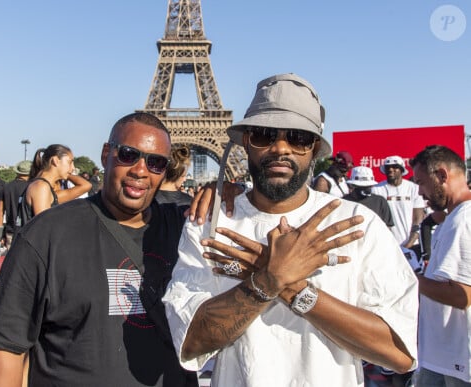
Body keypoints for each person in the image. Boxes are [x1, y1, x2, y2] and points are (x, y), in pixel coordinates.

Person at [163, 73, 419, 386]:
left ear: (314, 148)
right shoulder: (211, 220)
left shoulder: (359, 223)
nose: (280, 148)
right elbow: (191, 344)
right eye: (264, 134)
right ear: (246, 142)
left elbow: (399, 353)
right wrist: (268, 280)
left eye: (298, 138)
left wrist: (289, 285)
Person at [0, 112, 198, 386]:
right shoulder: (46, 234)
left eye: (156, 163)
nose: (141, 170)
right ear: (106, 154)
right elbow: (6, 347)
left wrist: (227, 196)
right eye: (129, 155)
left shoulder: (187, 229)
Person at [410, 145, 471, 386]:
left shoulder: (463, 221)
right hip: (443, 354)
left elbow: (462, 295)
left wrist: (410, 277)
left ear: (442, 176)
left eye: (422, 182)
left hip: (459, 356)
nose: (419, 192)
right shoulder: (453, 217)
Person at [16, 144, 92, 227]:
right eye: (70, 162)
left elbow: (86, 186)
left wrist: (66, 173)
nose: (73, 168)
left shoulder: (45, 188)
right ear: (55, 160)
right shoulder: (41, 187)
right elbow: (44, 228)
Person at [371, 155, 425, 253]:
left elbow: (418, 218)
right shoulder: (376, 189)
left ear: (401, 170)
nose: (391, 170)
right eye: (388, 167)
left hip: (412, 245)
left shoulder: (414, 188)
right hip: (387, 246)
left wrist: (410, 243)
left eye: (395, 167)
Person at [3, 160, 31, 248]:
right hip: (27, 229)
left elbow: (0, 211)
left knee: (10, 258)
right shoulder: (31, 186)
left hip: (10, 228)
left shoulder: (7, 186)